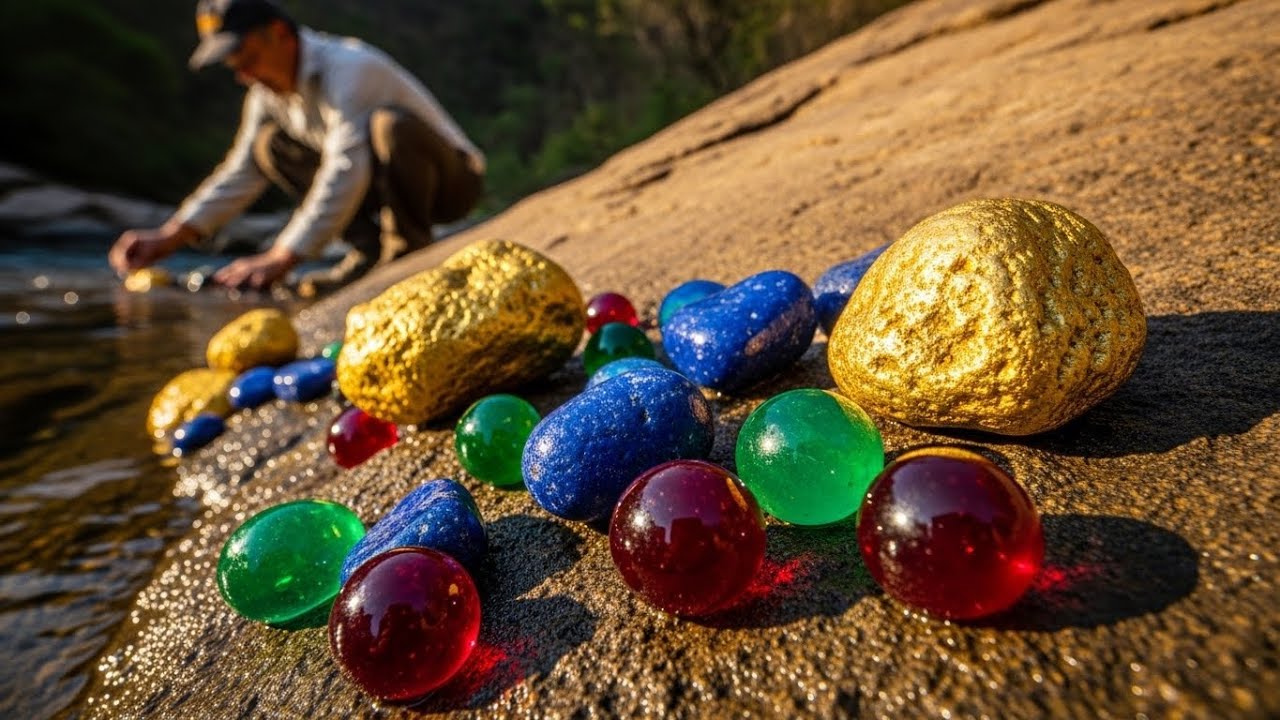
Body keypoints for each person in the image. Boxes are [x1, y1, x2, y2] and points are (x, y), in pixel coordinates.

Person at [108, 0, 485, 296]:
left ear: (279, 33)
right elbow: (240, 172)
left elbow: (345, 168)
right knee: (268, 146)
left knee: (390, 127)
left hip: (453, 185)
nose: (245, 75)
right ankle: (369, 253)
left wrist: (282, 255)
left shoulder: (351, 68)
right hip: (374, 189)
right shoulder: (265, 95)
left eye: (250, 59)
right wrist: (171, 235)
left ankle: (406, 252)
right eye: (235, 66)